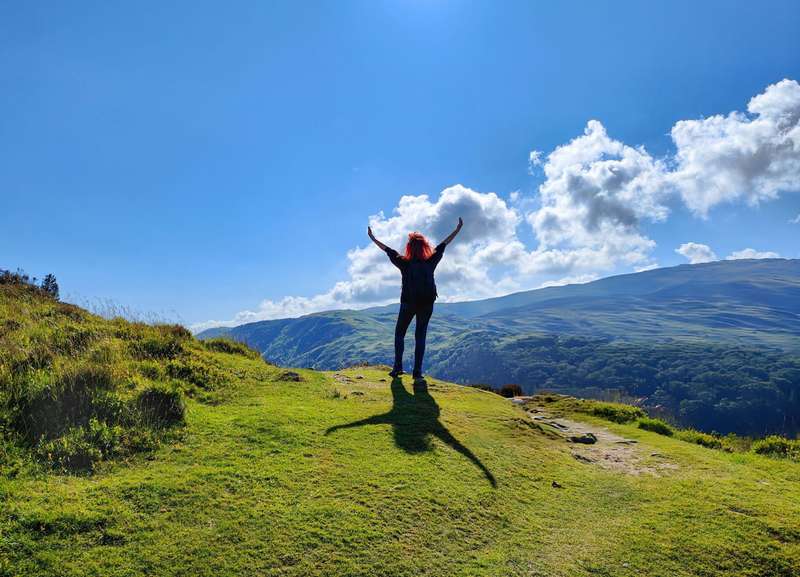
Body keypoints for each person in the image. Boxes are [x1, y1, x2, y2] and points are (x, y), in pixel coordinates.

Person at [368, 218, 463, 381]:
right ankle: (417, 373)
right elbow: (444, 244)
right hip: (427, 303)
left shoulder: (404, 263)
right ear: (424, 246)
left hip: (408, 303)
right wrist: (457, 229)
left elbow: (388, 250)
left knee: (399, 334)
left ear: (409, 248)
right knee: (420, 336)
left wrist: (373, 238)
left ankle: (397, 368)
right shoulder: (431, 261)